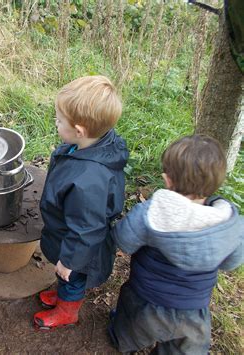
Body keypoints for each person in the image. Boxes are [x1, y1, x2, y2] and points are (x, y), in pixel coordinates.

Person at [108, 134, 243, 354]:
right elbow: (232, 262)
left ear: (167, 179)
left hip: (146, 301)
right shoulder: (227, 224)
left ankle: (120, 340)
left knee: (128, 330)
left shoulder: (151, 213)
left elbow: (124, 241)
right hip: (194, 311)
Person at [34, 76, 129, 330]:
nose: (55, 123)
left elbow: (86, 228)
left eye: (59, 120)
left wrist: (70, 260)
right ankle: (65, 293)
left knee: (72, 276)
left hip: (81, 247)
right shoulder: (92, 145)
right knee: (65, 274)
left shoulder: (88, 181)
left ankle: (68, 310)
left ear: (80, 130)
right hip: (69, 232)